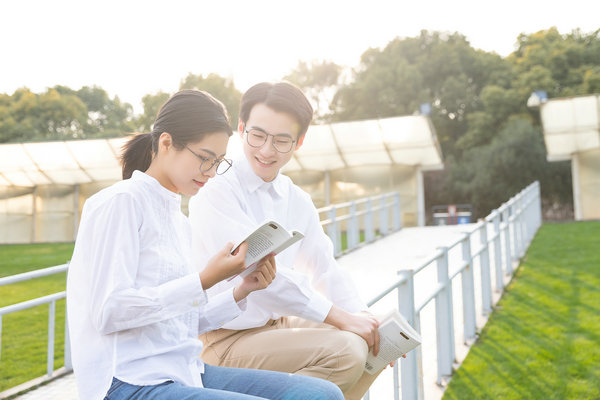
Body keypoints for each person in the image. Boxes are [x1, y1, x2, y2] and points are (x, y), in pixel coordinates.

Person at [66, 89, 344, 400]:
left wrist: (243, 289)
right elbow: (109, 311)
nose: (211, 172)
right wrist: (204, 280)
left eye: (219, 162)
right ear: (166, 143)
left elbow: (182, 322)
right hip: (128, 380)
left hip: (185, 370)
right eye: (204, 158)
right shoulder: (121, 203)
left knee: (322, 394)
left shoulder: (178, 221)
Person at [188, 82, 384, 400]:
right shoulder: (216, 189)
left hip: (275, 327)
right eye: (258, 135)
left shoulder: (296, 198)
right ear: (241, 129)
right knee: (347, 351)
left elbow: (324, 268)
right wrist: (341, 318)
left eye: (281, 140)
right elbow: (263, 272)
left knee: (378, 335)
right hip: (223, 339)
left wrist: (362, 317)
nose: (267, 150)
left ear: (299, 141)